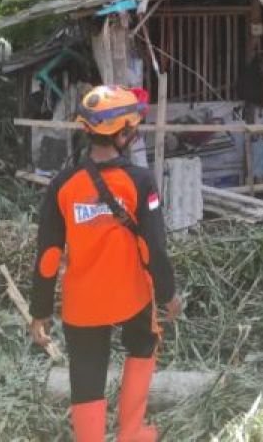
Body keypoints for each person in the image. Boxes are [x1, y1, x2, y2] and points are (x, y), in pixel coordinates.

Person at [29, 85, 179, 442]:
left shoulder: (63, 184)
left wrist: (40, 311)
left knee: (86, 373)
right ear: (123, 134)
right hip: (132, 296)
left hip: (82, 303)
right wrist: (168, 293)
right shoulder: (140, 181)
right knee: (143, 346)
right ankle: (132, 433)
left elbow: (48, 255)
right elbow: (152, 248)